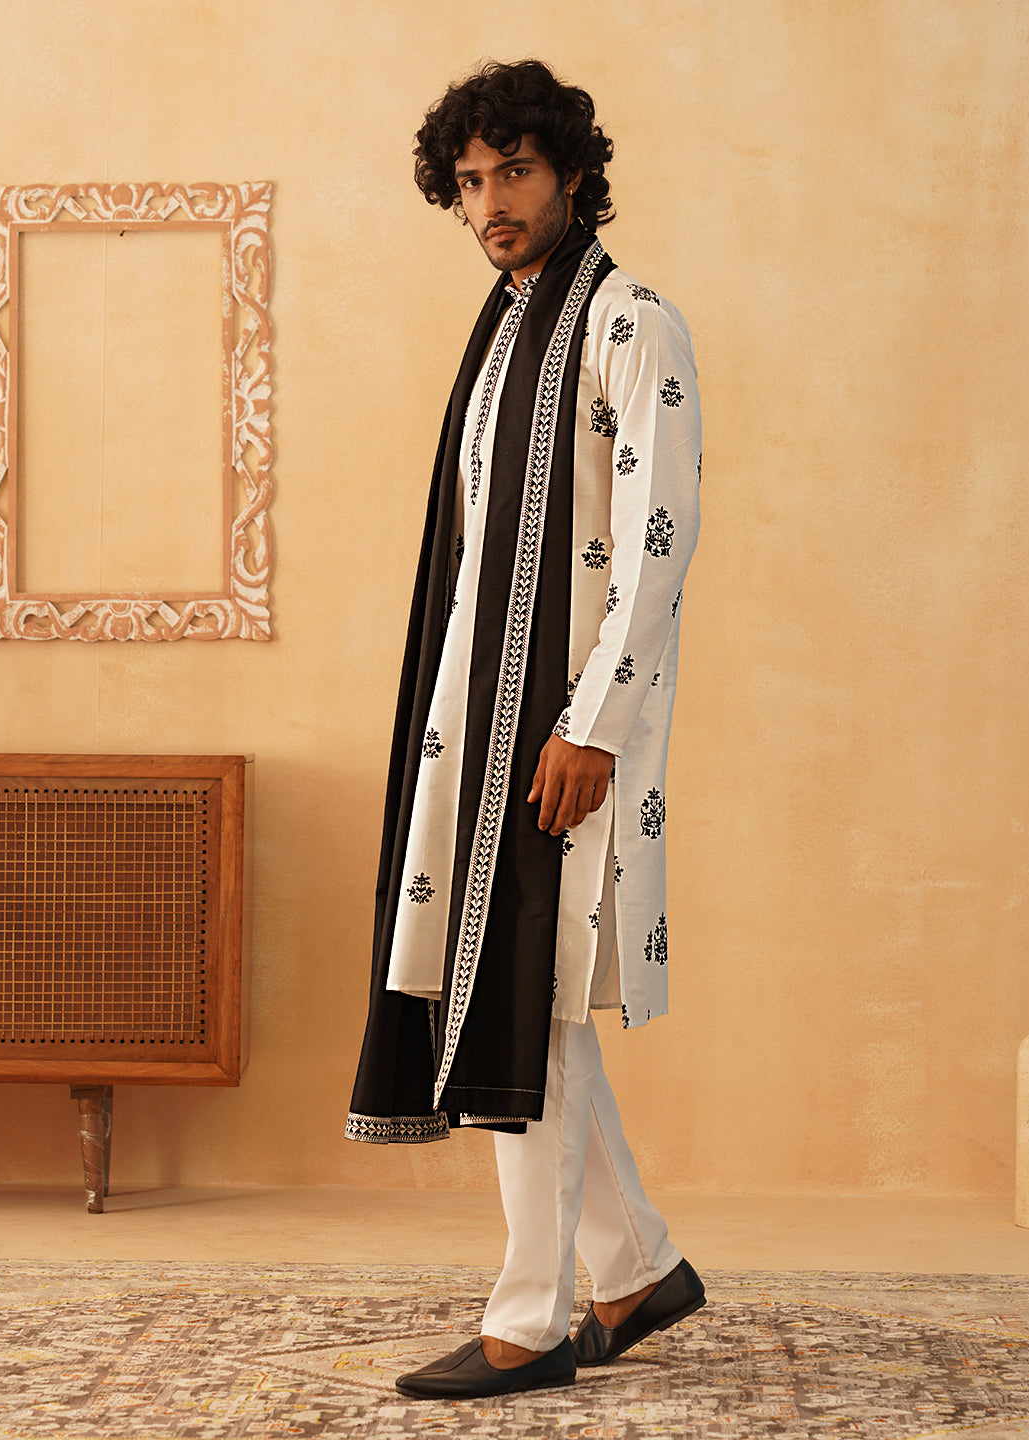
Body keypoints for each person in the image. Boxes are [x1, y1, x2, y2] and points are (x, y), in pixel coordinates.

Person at [345, 58, 704, 1399]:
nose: (490, 201)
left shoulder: (630, 325)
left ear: (571, 173)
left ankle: (533, 1317)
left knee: (527, 993)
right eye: (471, 180)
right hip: (478, 723)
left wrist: (591, 725)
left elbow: (657, 544)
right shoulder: (503, 330)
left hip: (562, 729)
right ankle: (637, 1269)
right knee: (527, 997)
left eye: (515, 172)